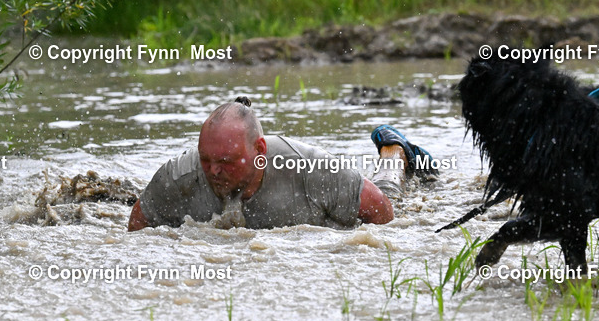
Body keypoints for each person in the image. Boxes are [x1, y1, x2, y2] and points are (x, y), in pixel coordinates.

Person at [127, 97, 436, 231]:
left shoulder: (309, 167)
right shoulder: (180, 175)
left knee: (388, 188)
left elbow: (380, 210)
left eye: (226, 161)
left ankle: (394, 149)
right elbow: (140, 221)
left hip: (365, 197)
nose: (214, 171)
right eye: (206, 159)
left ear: (260, 150)